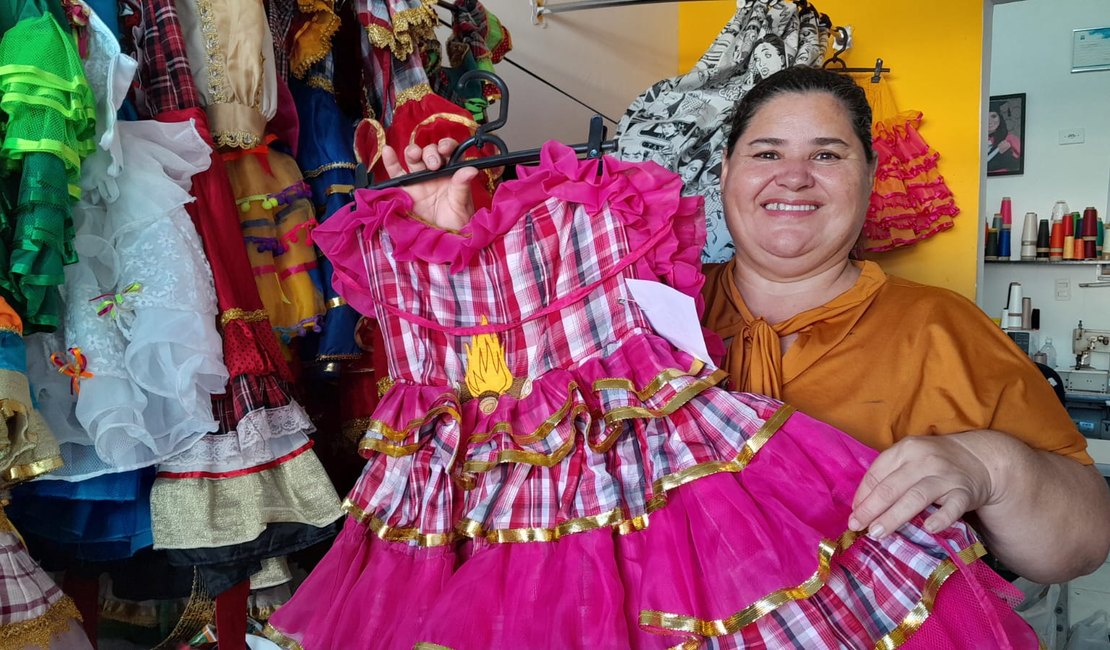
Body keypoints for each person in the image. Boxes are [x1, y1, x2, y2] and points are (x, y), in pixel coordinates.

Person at [700, 66, 1109, 584]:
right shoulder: (644, 309)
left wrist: (990, 467)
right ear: (725, 171)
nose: (795, 175)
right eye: (766, 153)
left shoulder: (942, 326)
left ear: (870, 175)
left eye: (826, 154)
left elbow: (1083, 545)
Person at [988, 101, 1022, 174]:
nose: (989, 121)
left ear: (1000, 117)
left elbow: (1019, 166)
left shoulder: (1010, 139)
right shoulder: (973, 141)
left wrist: (1007, 153)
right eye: (984, 117)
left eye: (993, 116)